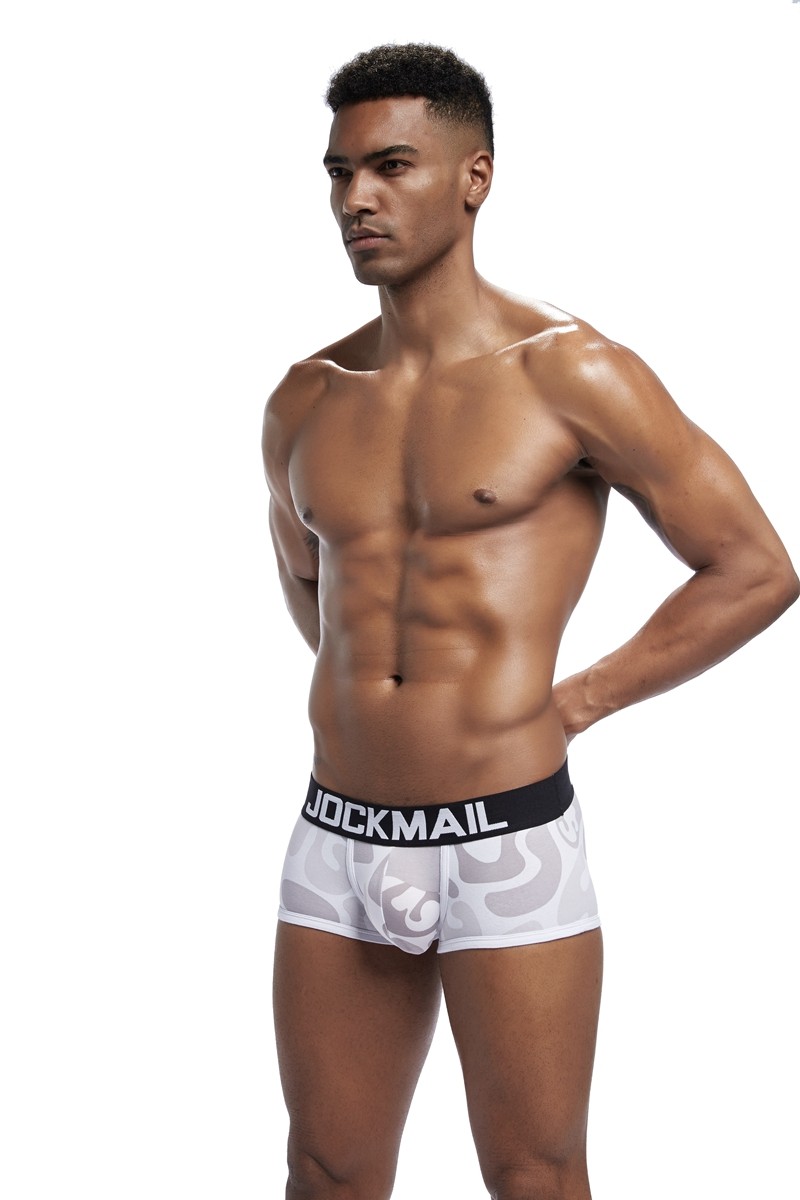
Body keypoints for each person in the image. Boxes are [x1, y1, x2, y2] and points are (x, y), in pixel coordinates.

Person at [261, 42, 797, 1200]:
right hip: (337, 835)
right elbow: (312, 586)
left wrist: (571, 701)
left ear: (475, 177)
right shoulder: (305, 397)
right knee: (324, 1169)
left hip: (502, 839)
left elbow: (752, 568)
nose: (356, 199)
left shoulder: (573, 374)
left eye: (390, 166)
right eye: (339, 172)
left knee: (534, 1174)